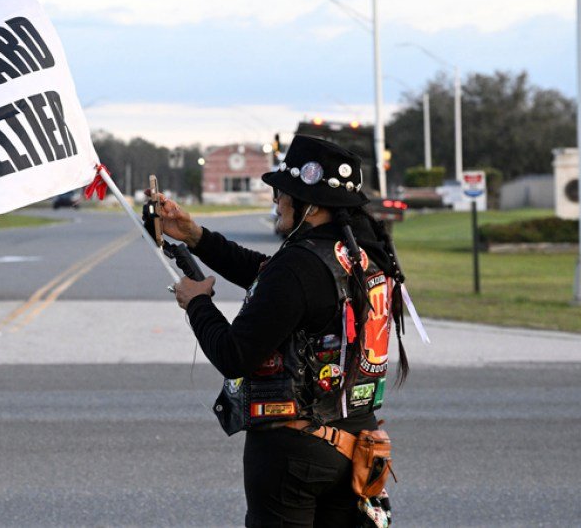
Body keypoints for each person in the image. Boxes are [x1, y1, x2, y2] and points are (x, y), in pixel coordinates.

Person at [153, 135, 407, 527]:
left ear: (314, 204)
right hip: (358, 444)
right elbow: (270, 277)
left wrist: (198, 303)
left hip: (294, 454)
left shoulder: (299, 268)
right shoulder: (363, 255)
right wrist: (195, 236)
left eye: (283, 191)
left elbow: (234, 355)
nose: (276, 199)